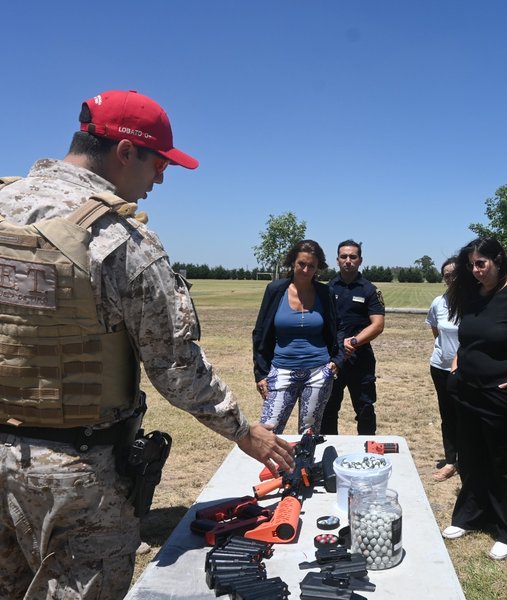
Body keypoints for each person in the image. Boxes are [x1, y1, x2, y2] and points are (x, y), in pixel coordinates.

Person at [0, 90, 294, 600]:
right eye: (159, 163)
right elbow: (176, 366)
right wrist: (244, 432)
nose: (161, 178)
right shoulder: (120, 241)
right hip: (77, 476)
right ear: (125, 151)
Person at [440, 237, 507, 561]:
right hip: (469, 391)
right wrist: (457, 367)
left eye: (481, 264)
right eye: (471, 265)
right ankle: (471, 515)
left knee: (506, 463)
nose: (476, 271)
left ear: (499, 260)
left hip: (506, 395)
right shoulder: (474, 294)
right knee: (472, 457)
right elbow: (468, 340)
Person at [252, 239, 343, 434]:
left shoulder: (325, 293)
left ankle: (306, 456)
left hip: (318, 373)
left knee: (309, 434)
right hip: (281, 371)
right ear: (292, 262)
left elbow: (338, 328)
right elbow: (260, 332)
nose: (306, 270)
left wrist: (337, 360)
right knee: (268, 431)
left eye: (312, 266)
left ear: (318, 268)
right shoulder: (275, 290)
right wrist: (260, 373)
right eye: (301, 264)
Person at [320, 240, 385, 435]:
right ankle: (329, 449)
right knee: (328, 409)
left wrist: (354, 342)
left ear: (360, 260)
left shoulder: (369, 290)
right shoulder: (327, 289)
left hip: (360, 359)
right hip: (333, 358)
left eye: (353, 257)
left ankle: (368, 447)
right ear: (337, 260)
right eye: (344, 256)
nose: (348, 260)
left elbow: (378, 324)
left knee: (365, 409)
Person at [425, 256, 460, 482]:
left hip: (467, 371)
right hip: (440, 368)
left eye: (455, 274)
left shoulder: (474, 303)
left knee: (467, 415)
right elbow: (436, 331)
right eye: (447, 275)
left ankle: (467, 459)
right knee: (448, 416)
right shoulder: (438, 303)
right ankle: (451, 461)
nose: (451, 278)